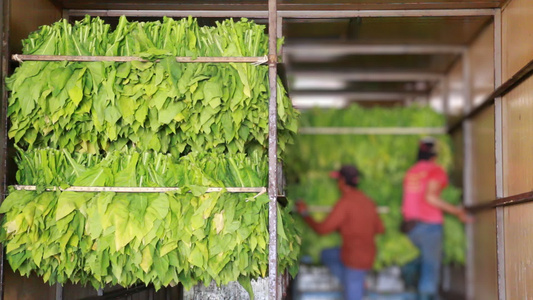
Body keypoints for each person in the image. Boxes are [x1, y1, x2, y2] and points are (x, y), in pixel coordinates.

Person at [296, 165, 385, 300]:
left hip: (355, 261)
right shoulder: (368, 201)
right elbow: (380, 229)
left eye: (338, 181)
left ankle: (356, 284)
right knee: (326, 254)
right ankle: (357, 283)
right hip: (368, 256)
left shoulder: (345, 202)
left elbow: (322, 229)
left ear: (342, 182)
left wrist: (305, 213)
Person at [401, 137, 471, 300]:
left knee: (418, 262)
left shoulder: (411, 172)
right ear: (435, 155)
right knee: (430, 268)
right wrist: (457, 211)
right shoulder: (436, 171)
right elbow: (430, 197)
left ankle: (411, 285)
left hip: (411, 227)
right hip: (429, 226)